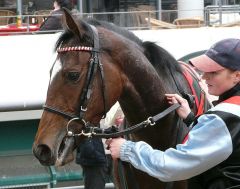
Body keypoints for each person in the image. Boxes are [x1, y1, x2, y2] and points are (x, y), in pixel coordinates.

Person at [106, 38, 240, 189]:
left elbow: (173, 166)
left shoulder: (224, 117)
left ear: (237, 76)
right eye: (205, 71)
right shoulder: (230, 114)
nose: (204, 77)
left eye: (214, 72)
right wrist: (191, 119)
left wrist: (126, 149)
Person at [76, 102, 124, 189]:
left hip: (118, 153)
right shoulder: (87, 94)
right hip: (93, 154)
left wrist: (121, 123)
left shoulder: (121, 97)